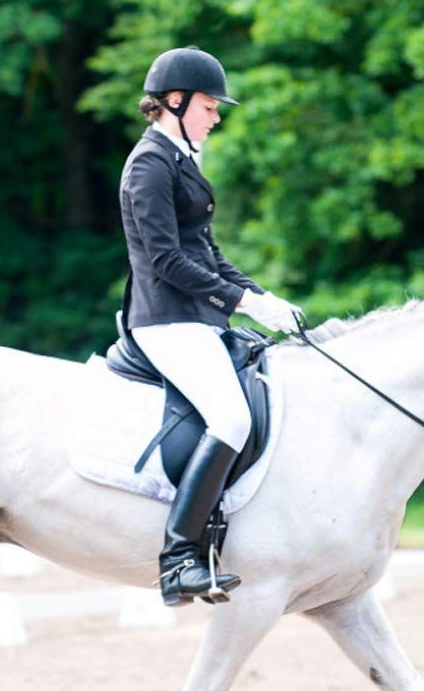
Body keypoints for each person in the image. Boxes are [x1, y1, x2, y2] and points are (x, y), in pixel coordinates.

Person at [119, 45, 302, 607]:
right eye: (208, 105)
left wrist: (262, 296)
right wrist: (240, 300)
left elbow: (208, 252)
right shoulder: (149, 165)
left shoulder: (180, 161)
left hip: (195, 316)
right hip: (165, 320)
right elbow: (166, 259)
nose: (216, 115)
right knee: (230, 415)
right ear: (174, 102)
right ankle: (178, 557)